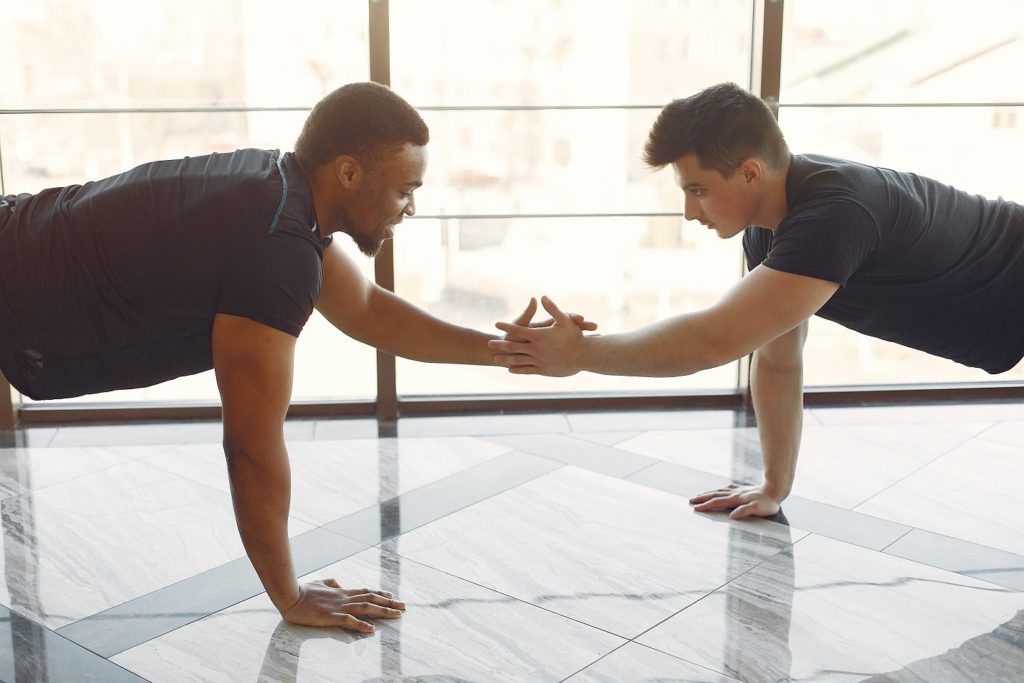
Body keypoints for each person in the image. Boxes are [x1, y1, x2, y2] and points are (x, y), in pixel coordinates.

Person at [0, 81, 592, 632]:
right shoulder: (276, 246)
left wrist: (503, 350)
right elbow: (252, 446)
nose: (410, 207)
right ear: (350, 172)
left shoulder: (280, 191)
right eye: (405, 188)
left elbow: (370, 311)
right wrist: (290, 595)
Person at [488, 81, 1024, 520]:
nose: (690, 213)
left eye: (697, 190)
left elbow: (711, 341)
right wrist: (772, 486)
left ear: (750, 171)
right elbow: (776, 358)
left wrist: (580, 354)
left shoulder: (835, 215)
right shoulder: (770, 231)